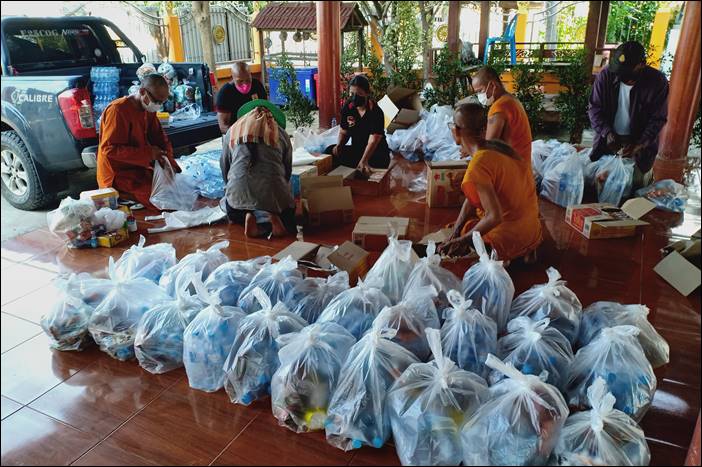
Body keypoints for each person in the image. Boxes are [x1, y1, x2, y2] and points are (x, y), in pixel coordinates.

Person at [439, 103, 542, 262]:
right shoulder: (498, 147)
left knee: (469, 229)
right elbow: (472, 199)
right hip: (532, 230)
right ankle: (524, 250)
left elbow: (495, 217)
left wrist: (462, 239)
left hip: (511, 235)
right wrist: (456, 230)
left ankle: (508, 254)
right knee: (461, 227)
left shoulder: (479, 163)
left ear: (456, 131)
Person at [588, 41, 669, 190]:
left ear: (642, 64)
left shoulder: (657, 82)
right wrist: (607, 133)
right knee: (603, 185)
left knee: (635, 188)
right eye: (620, 73)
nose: (623, 77)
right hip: (608, 141)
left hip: (641, 146)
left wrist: (640, 144)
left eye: (628, 73)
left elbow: (658, 119)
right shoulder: (605, 76)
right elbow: (595, 109)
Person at [97, 73, 179, 207]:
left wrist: (170, 164)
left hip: (139, 167)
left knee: (175, 190)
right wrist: (148, 153)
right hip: (118, 174)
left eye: (161, 102)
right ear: (142, 91)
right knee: (160, 201)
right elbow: (109, 149)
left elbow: (160, 139)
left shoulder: (148, 109)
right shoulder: (118, 110)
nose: (158, 106)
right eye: (156, 101)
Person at [220, 99, 295, 238]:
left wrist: (230, 187)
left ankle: (247, 216)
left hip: (239, 197)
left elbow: (225, 167)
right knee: (288, 211)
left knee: (233, 210)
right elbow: (287, 171)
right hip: (274, 197)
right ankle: (274, 218)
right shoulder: (281, 134)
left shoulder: (232, 132)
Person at [324, 75, 390, 175]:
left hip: (375, 152)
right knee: (329, 151)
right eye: (352, 93)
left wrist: (364, 160)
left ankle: (361, 165)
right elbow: (343, 131)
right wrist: (339, 146)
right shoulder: (348, 107)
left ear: (367, 93)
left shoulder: (375, 111)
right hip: (357, 150)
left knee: (377, 162)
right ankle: (358, 166)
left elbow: (373, 140)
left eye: (359, 94)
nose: (354, 97)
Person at [470, 66, 533, 165]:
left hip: (512, 170)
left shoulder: (499, 108)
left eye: (480, 91)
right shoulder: (511, 100)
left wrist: (469, 146)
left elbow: (487, 149)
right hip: (522, 168)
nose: (479, 96)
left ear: (492, 85)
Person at [216, 61, 267, 135]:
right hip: (234, 133)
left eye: (248, 80)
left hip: (257, 129)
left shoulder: (257, 85)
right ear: (232, 78)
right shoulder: (225, 93)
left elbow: (266, 109)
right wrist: (242, 135)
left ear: (250, 75)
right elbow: (223, 127)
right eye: (240, 81)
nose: (245, 84)